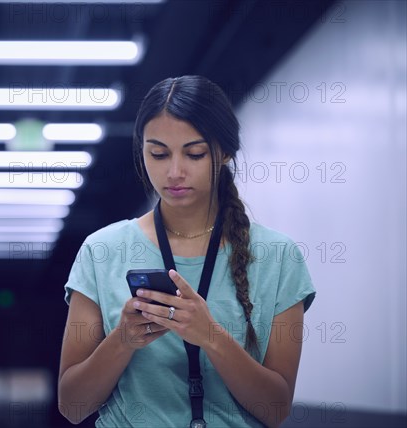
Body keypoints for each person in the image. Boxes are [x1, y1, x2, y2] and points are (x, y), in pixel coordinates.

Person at [58, 75, 316, 427]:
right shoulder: (101, 250)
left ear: (224, 152)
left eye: (194, 153)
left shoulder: (279, 257)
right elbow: (72, 406)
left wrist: (209, 335)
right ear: (142, 152)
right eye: (158, 154)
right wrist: (122, 339)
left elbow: (276, 409)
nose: (174, 172)